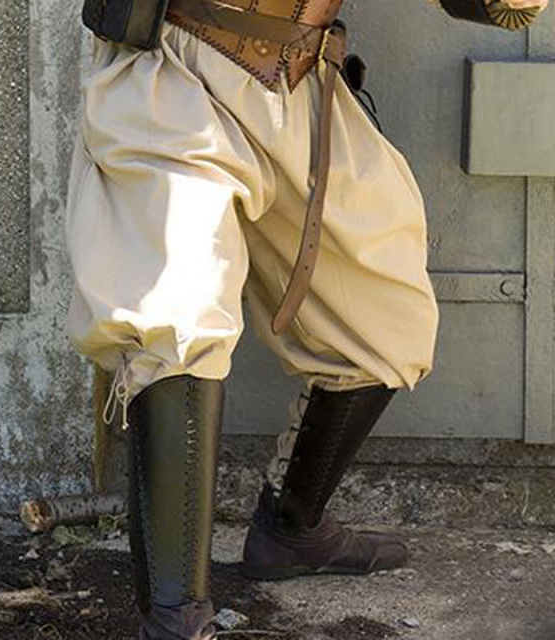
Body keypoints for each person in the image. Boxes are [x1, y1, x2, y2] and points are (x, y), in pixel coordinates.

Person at [65, 0, 549, 637]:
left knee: (383, 317)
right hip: (178, 71)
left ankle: (291, 530)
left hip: (302, 80)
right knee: (177, 309)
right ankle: (175, 618)